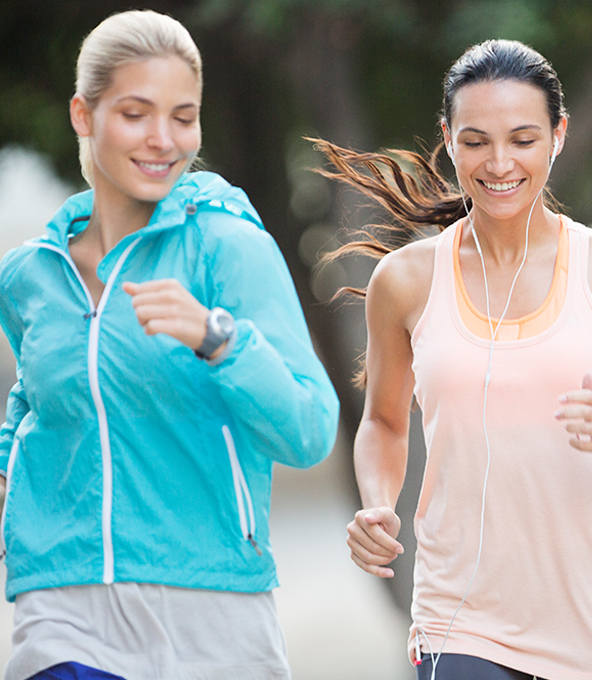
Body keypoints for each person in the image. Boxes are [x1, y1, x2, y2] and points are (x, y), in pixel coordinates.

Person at [317, 39, 592, 680]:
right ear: (448, 138)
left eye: (523, 139)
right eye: (475, 141)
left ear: (559, 135)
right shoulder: (405, 280)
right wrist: (377, 502)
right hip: (461, 620)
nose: (499, 164)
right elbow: (382, 422)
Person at [0, 10, 339, 680]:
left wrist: (220, 340)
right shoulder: (30, 274)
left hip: (211, 613)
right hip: (62, 603)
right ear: (82, 114)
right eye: (135, 113)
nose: (163, 139)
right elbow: (34, 399)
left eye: (183, 117)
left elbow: (309, 430)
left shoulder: (228, 248)